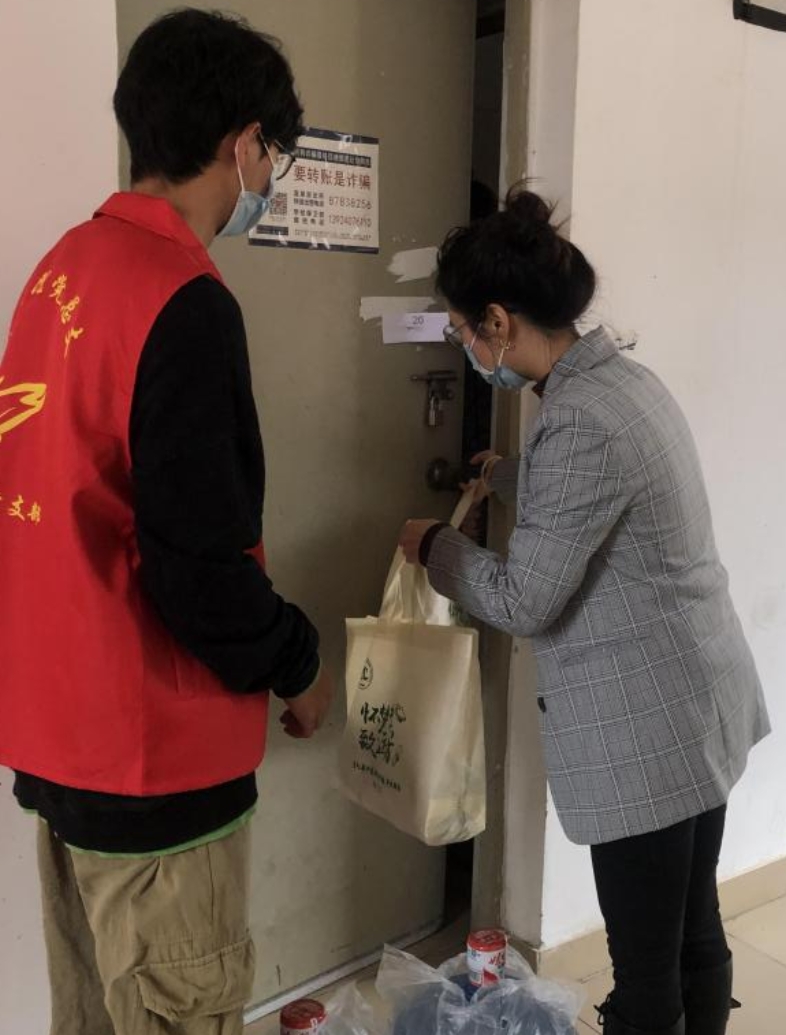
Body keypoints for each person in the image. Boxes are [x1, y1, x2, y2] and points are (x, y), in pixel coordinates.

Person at [0, 10, 333, 1035]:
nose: (268, 178)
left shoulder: (58, 273)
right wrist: (297, 660)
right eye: (273, 155)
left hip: (58, 737)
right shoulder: (180, 298)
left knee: (94, 1017)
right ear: (245, 143)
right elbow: (198, 565)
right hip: (154, 764)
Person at [399, 186, 770, 1035]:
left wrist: (435, 547)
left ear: (498, 321)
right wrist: (503, 476)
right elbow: (597, 498)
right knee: (694, 926)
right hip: (696, 698)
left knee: (645, 973)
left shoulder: (577, 423)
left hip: (645, 732)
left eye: (462, 330)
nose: (465, 347)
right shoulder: (621, 384)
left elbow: (524, 597)